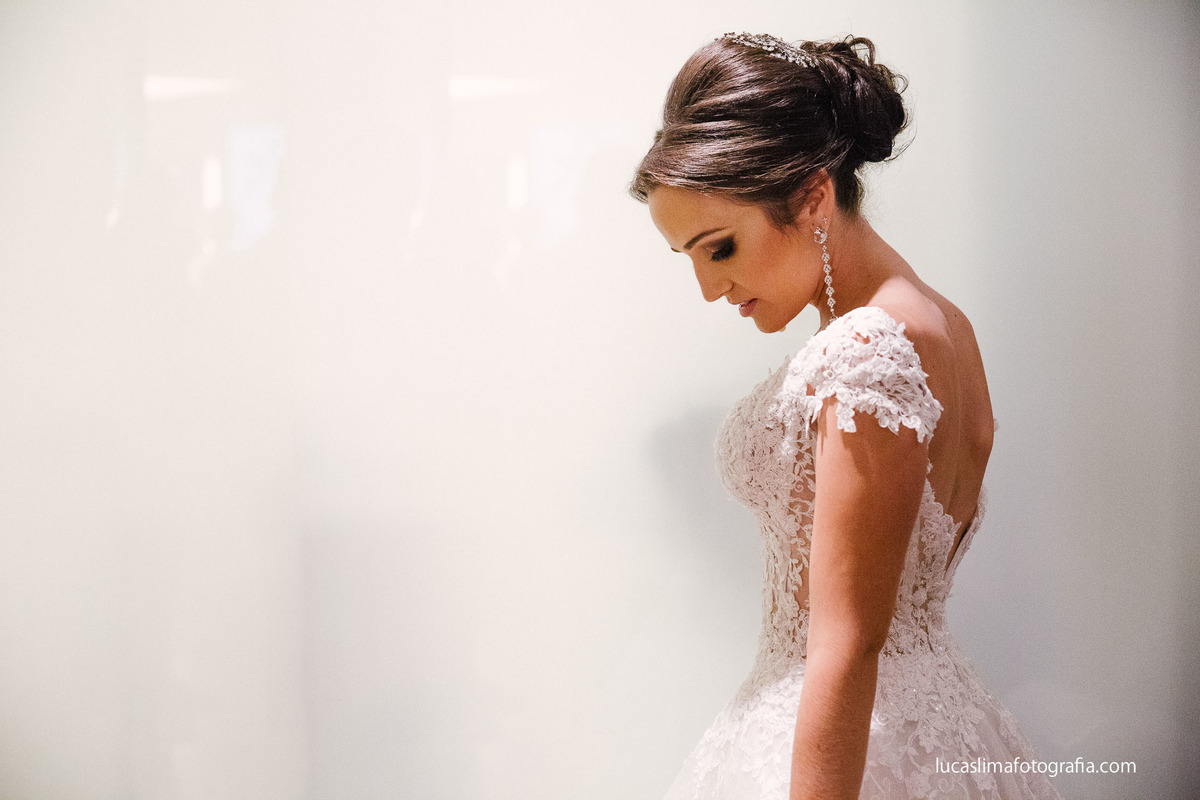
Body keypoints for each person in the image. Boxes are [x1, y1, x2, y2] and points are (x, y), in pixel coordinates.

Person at [629, 33, 1062, 800]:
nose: (708, 288)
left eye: (720, 247)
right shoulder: (944, 323)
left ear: (812, 195)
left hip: (858, 745)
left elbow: (848, 642)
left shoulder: (866, 348)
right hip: (928, 719)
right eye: (689, 258)